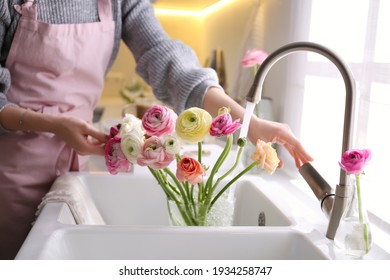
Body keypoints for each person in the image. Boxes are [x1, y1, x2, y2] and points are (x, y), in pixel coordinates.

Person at [0, 0, 313, 259]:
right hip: (10, 170)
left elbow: (167, 59)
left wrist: (249, 122)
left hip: (72, 163)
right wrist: (51, 124)